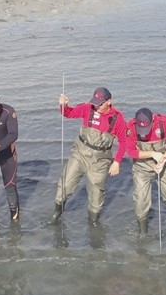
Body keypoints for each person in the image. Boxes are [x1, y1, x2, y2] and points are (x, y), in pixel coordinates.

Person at [51, 87, 125, 225]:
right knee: (65, 184)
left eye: (100, 104)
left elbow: (123, 141)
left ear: (109, 101)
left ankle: (93, 222)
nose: (96, 106)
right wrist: (63, 105)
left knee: (97, 194)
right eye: (95, 102)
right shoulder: (87, 108)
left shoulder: (117, 117)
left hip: (100, 160)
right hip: (80, 153)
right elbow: (69, 113)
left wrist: (117, 162)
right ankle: (56, 214)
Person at [123, 107, 166, 234]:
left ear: (152, 120)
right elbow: (130, 152)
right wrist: (152, 154)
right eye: (141, 129)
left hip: (164, 164)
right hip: (141, 168)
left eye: (146, 128)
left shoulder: (163, 122)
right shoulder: (130, 127)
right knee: (140, 200)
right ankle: (143, 233)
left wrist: (163, 159)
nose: (143, 133)